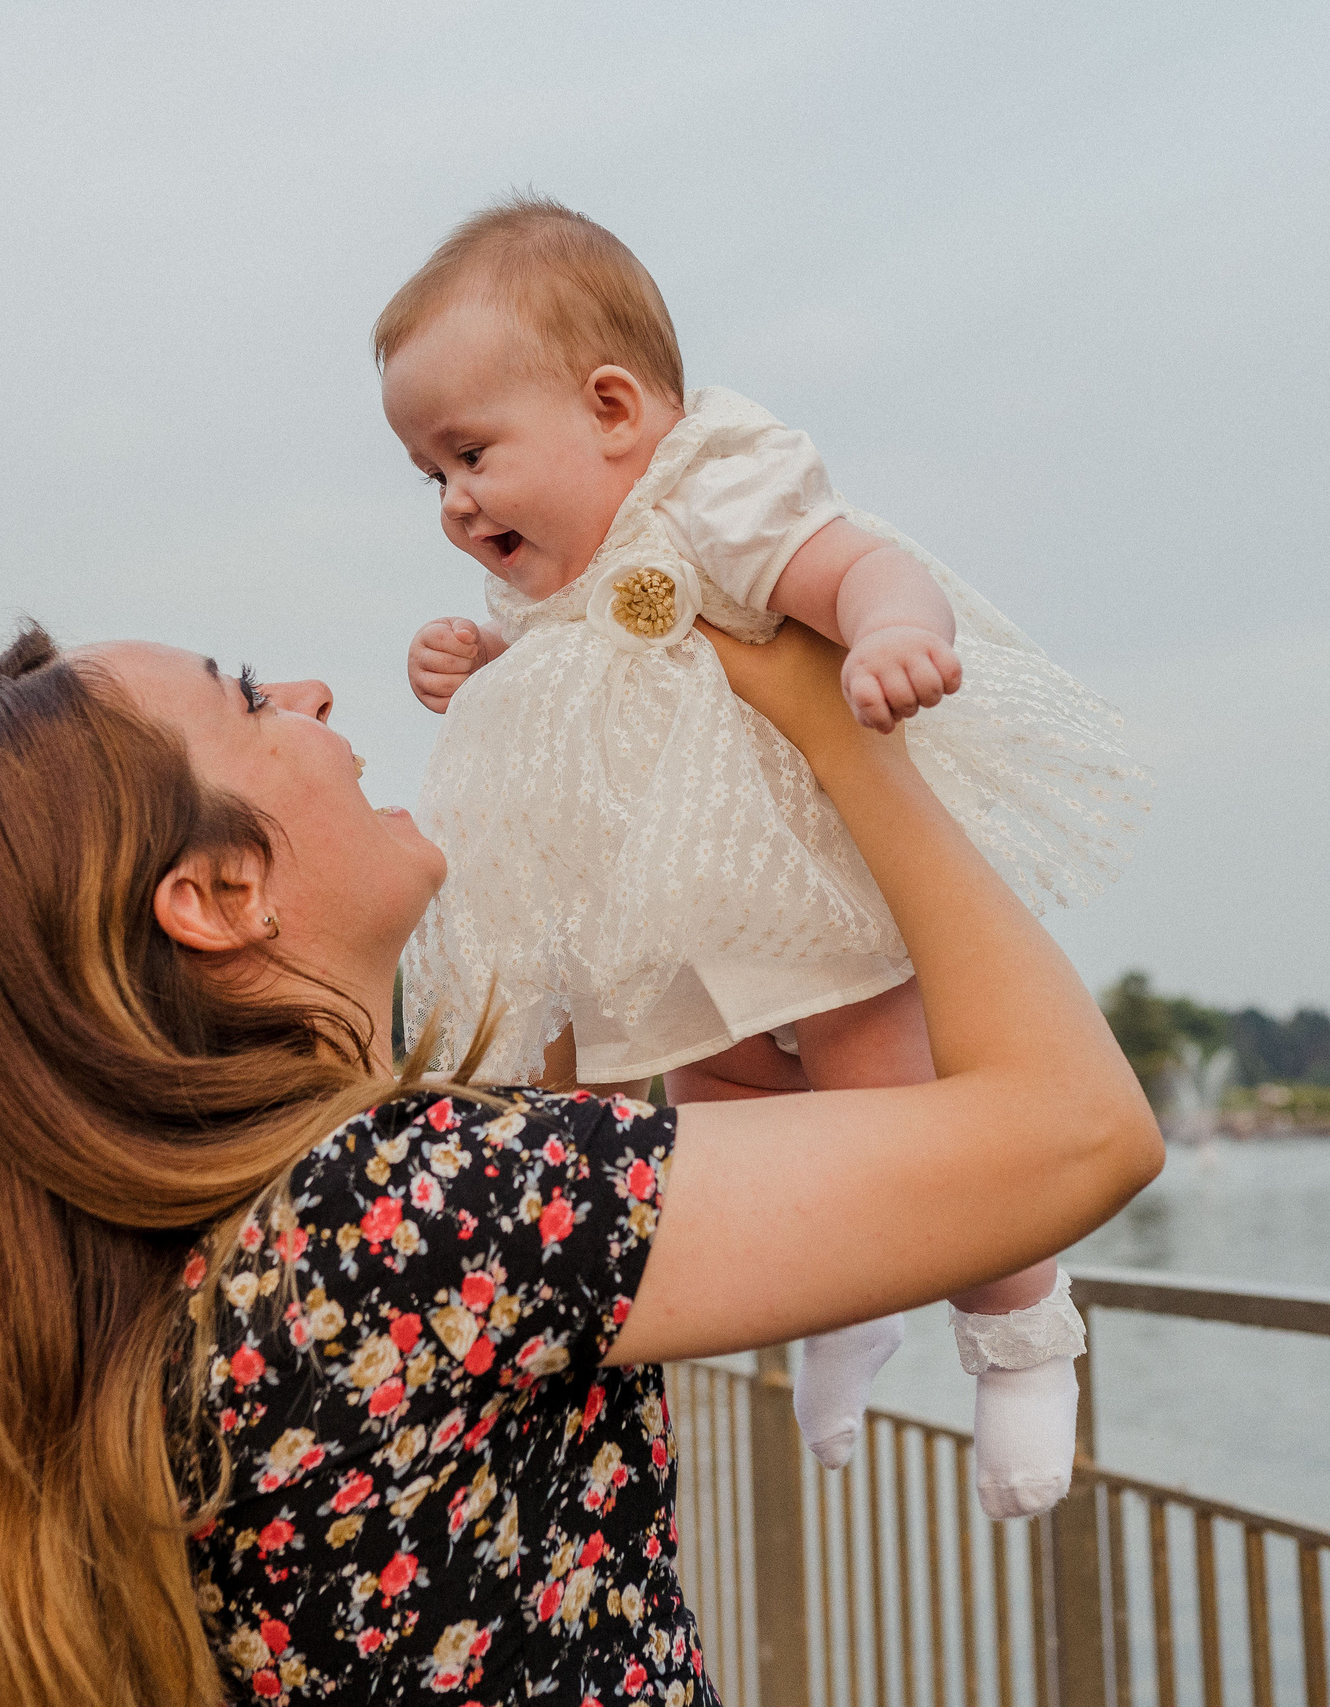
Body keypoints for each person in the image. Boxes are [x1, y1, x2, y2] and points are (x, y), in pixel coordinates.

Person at [0, 618, 1159, 1705]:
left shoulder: (218, 1248)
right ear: (215, 894)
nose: (316, 692)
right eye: (253, 693)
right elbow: (1076, 1132)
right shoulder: (391, 1216)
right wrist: (828, 719)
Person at [379, 196, 1151, 1509]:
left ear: (613, 409)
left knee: (896, 1121)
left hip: (806, 889)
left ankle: (1023, 1342)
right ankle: (835, 1313)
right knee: (726, 1135)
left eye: (470, 455)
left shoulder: (710, 491)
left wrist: (896, 631)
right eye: (430, 478)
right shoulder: (554, 576)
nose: (454, 504)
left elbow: (856, 562)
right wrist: (485, 664)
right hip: (672, 920)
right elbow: (573, 686)